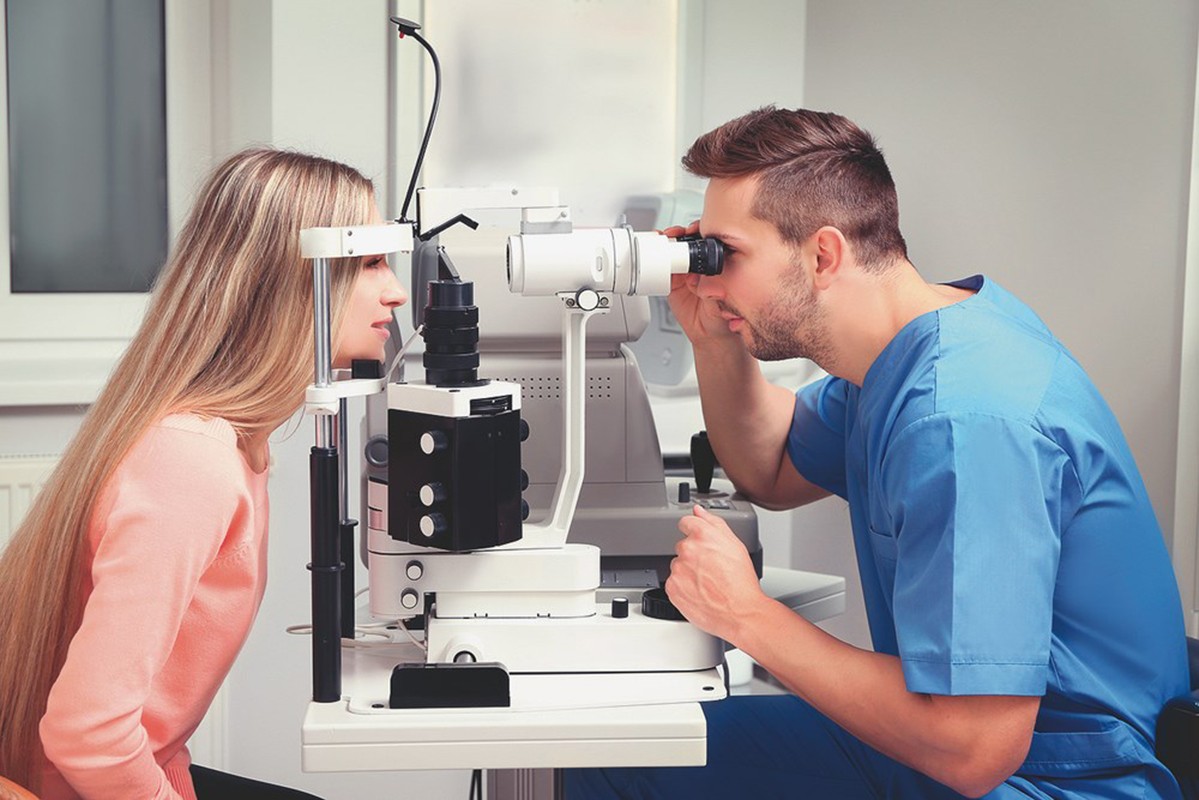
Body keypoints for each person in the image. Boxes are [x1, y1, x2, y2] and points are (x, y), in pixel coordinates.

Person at [567, 107, 1190, 799]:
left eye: (726, 255)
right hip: (985, 751)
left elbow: (974, 749)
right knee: (613, 753)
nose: (707, 279)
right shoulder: (921, 347)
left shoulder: (962, 421)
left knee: (614, 773)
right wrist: (713, 338)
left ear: (823, 255)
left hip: (1057, 782)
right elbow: (772, 467)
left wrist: (747, 615)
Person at [0, 148, 408, 799]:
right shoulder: (190, 461)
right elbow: (88, 734)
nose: (396, 291)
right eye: (369, 263)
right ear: (287, 284)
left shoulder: (230, 443)